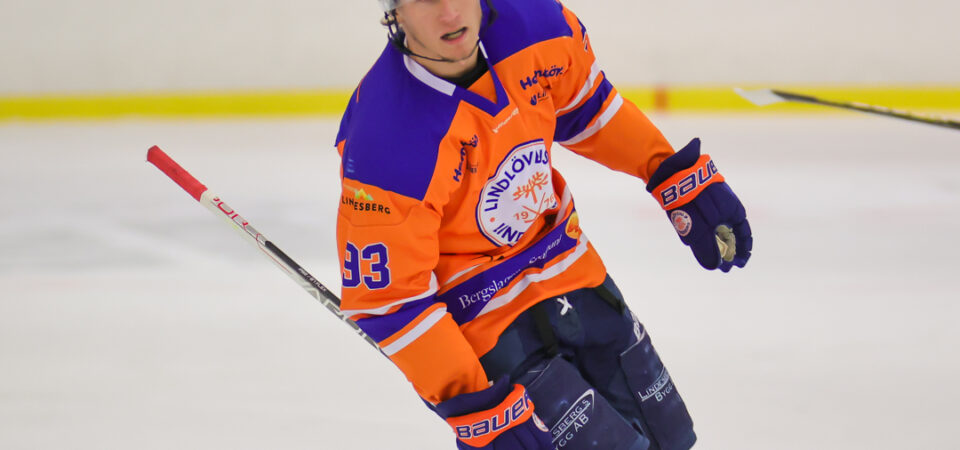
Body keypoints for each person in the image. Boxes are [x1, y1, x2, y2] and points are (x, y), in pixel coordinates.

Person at [334, 0, 752, 448]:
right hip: (483, 317)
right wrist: (478, 406)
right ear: (395, 11)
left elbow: (587, 108)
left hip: (569, 265)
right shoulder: (385, 139)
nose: (450, 13)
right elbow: (392, 301)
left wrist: (669, 173)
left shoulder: (536, 26)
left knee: (672, 440)